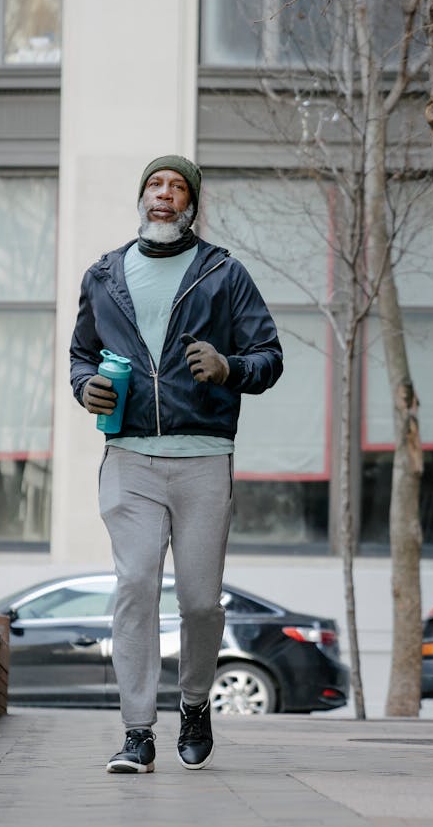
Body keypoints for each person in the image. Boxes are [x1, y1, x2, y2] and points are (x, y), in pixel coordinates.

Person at [70, 155, 283, 774]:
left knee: (198, 602)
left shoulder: (224, 273)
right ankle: (138, 732)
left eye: (177, 186)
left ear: (192, 204)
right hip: (129, 457)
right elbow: (82, 357)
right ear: (142, 198)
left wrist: (229, 367)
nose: (164, 195)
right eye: (155, 185)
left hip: (203, 458)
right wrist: (87, 388)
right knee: (134, 588)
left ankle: (194, 703)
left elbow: (267, 355)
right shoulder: (105, 275)